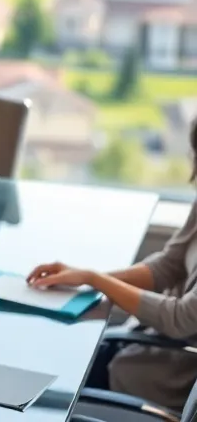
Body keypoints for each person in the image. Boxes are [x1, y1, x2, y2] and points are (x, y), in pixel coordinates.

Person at [25, 116, 197, 412]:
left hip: (163, 374)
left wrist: (95, 279)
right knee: (46, 352)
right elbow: (168, 265)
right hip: (140, 344)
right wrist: (78, 277)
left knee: (40, 387)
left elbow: (180, 319)